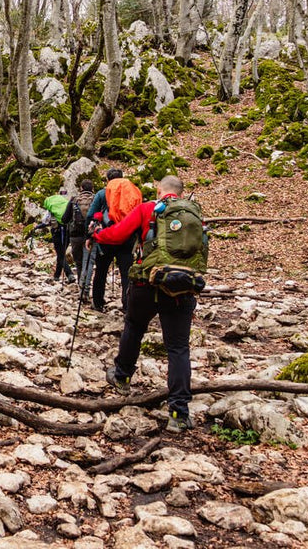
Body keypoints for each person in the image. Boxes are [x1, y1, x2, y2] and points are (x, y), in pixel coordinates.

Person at [96, 175, 198, 433]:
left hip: (147, 284)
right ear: (180, 192)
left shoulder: (147, 209)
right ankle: (179, 411)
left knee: (134, 326)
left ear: (159, 190)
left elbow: (118, 235)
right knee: (177, 347)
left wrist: (98, 234)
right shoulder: (193, 214)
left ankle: (122, 377)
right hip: (182, 286)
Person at [90, 170, 142, 312]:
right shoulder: (132, 190)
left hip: (106, 237)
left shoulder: (102, 193)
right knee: (126, 273)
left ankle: (98, 302)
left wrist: (90, 236)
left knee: (101, 271)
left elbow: (91, 214)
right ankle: (127, 304)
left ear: (108, 179)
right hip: (127, 238)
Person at [62, 179, 96, 292]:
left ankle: (81, 286)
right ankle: (85, 287)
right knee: (88, 262)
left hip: (75, 235)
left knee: (79, 262)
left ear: (81, 188)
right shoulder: (95, 199)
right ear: (92, 189)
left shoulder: (74, 200)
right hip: (90, 235)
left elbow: (64, 218)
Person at [37, 189, 76, 282]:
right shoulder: (65, 205)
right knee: (61, 253)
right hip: (68, 230)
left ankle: (69, 274)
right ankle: (57, 275)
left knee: (60, 253)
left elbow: (45, 221)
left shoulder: (51, 209)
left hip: (57, 232)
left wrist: (38, 226)